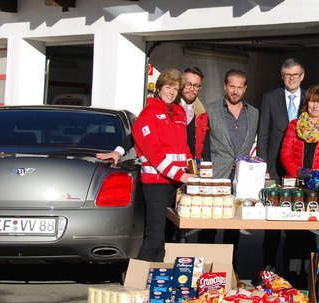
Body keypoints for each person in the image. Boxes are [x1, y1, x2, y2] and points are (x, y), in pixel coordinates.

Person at [132, 68, 195, 261]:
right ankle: (136, 282)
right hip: (156, 184)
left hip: (176, 184)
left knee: (169, 237)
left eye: (176, 88)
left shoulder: (179, 113)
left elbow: (183, 148)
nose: (172, 92)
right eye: (168, 87)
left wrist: (193, 170)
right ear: (159, 88)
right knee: (154, 236)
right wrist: (182, 175)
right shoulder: (147, 115)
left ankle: (158, 281)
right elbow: (155, 155)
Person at [279, 84, 319, 287]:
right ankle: (289, 277)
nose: (315, 105)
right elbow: (285, 153)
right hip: (296, 184)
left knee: (315, 232)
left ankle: (310, 277)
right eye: (312, 100)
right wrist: (300, 175)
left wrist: (317, 178)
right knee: (293, 231)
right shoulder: (294, 125)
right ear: (307, 102)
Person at [96, 66, 210, 164]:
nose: (192, 89)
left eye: (196, 86)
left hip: (189, 171)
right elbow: (139, 131)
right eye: (188, 84)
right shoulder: (163, 106)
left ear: (200, 88)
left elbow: (205, 147)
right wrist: (118, 151)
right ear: (181, 84)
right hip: (165, 171)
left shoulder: (202, 114)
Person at [204, 69, 259, 265]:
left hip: (242, 178)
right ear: (225, 86)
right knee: (210, 224)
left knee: (234, 224)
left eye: (239, 87)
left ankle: (228, 266)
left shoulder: (254, 114)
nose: (235, 91)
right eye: (232, 87)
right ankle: (207, 265)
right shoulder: (210, 110)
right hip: (216, 175)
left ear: (245, 89)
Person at [257, 58, 306, 272]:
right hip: (275, 167)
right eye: (288, 75)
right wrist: (263, 167)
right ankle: (268, 266)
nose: (292, 78)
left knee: (297, 218)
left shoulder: (310, 98)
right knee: (273, 219)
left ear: (302, 76)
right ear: (282, 76)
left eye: (295, 75)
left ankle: (292, 270)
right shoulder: (270, 97)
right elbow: (264, 134)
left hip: (300, 166)